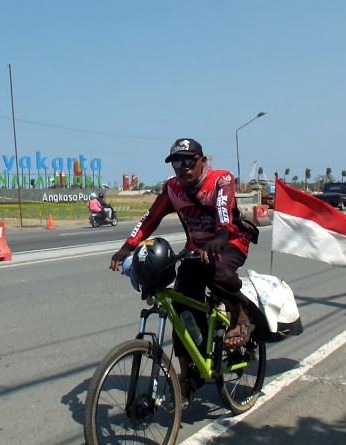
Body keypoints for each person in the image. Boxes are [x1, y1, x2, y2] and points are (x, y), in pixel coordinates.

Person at [109, 138, 263, 406]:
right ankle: (187, 376)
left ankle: (240, 314)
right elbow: (150, 219)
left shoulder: (220, 180)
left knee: (217, 274)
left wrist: (220, 237)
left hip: (231, 241)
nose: (183, 168)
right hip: (196, 249)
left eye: (189, 161)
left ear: (202, 161)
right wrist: (127, 247)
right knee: (180, 306)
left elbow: (225, 214)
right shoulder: (172, 189)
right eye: (177, 163)